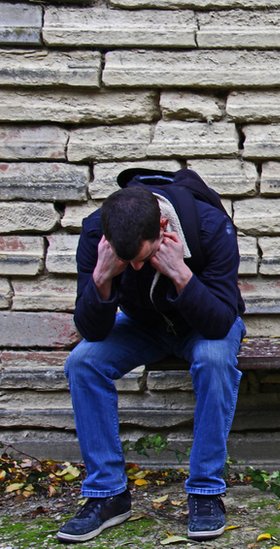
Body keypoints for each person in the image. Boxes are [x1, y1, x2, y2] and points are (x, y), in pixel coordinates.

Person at [57, 169, 246, 544]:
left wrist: (181, 274)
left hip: (203, 323)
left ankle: (206, 493)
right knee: (82, 362)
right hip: (142, 325)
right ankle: (108, 494)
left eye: (143, 258)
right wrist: (101, 279)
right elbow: (92, 329)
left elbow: (220, 322)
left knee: (213, 360)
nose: (138, 268)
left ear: (162, 226)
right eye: (130, 263)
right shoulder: (96, 233)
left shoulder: (209, 226)